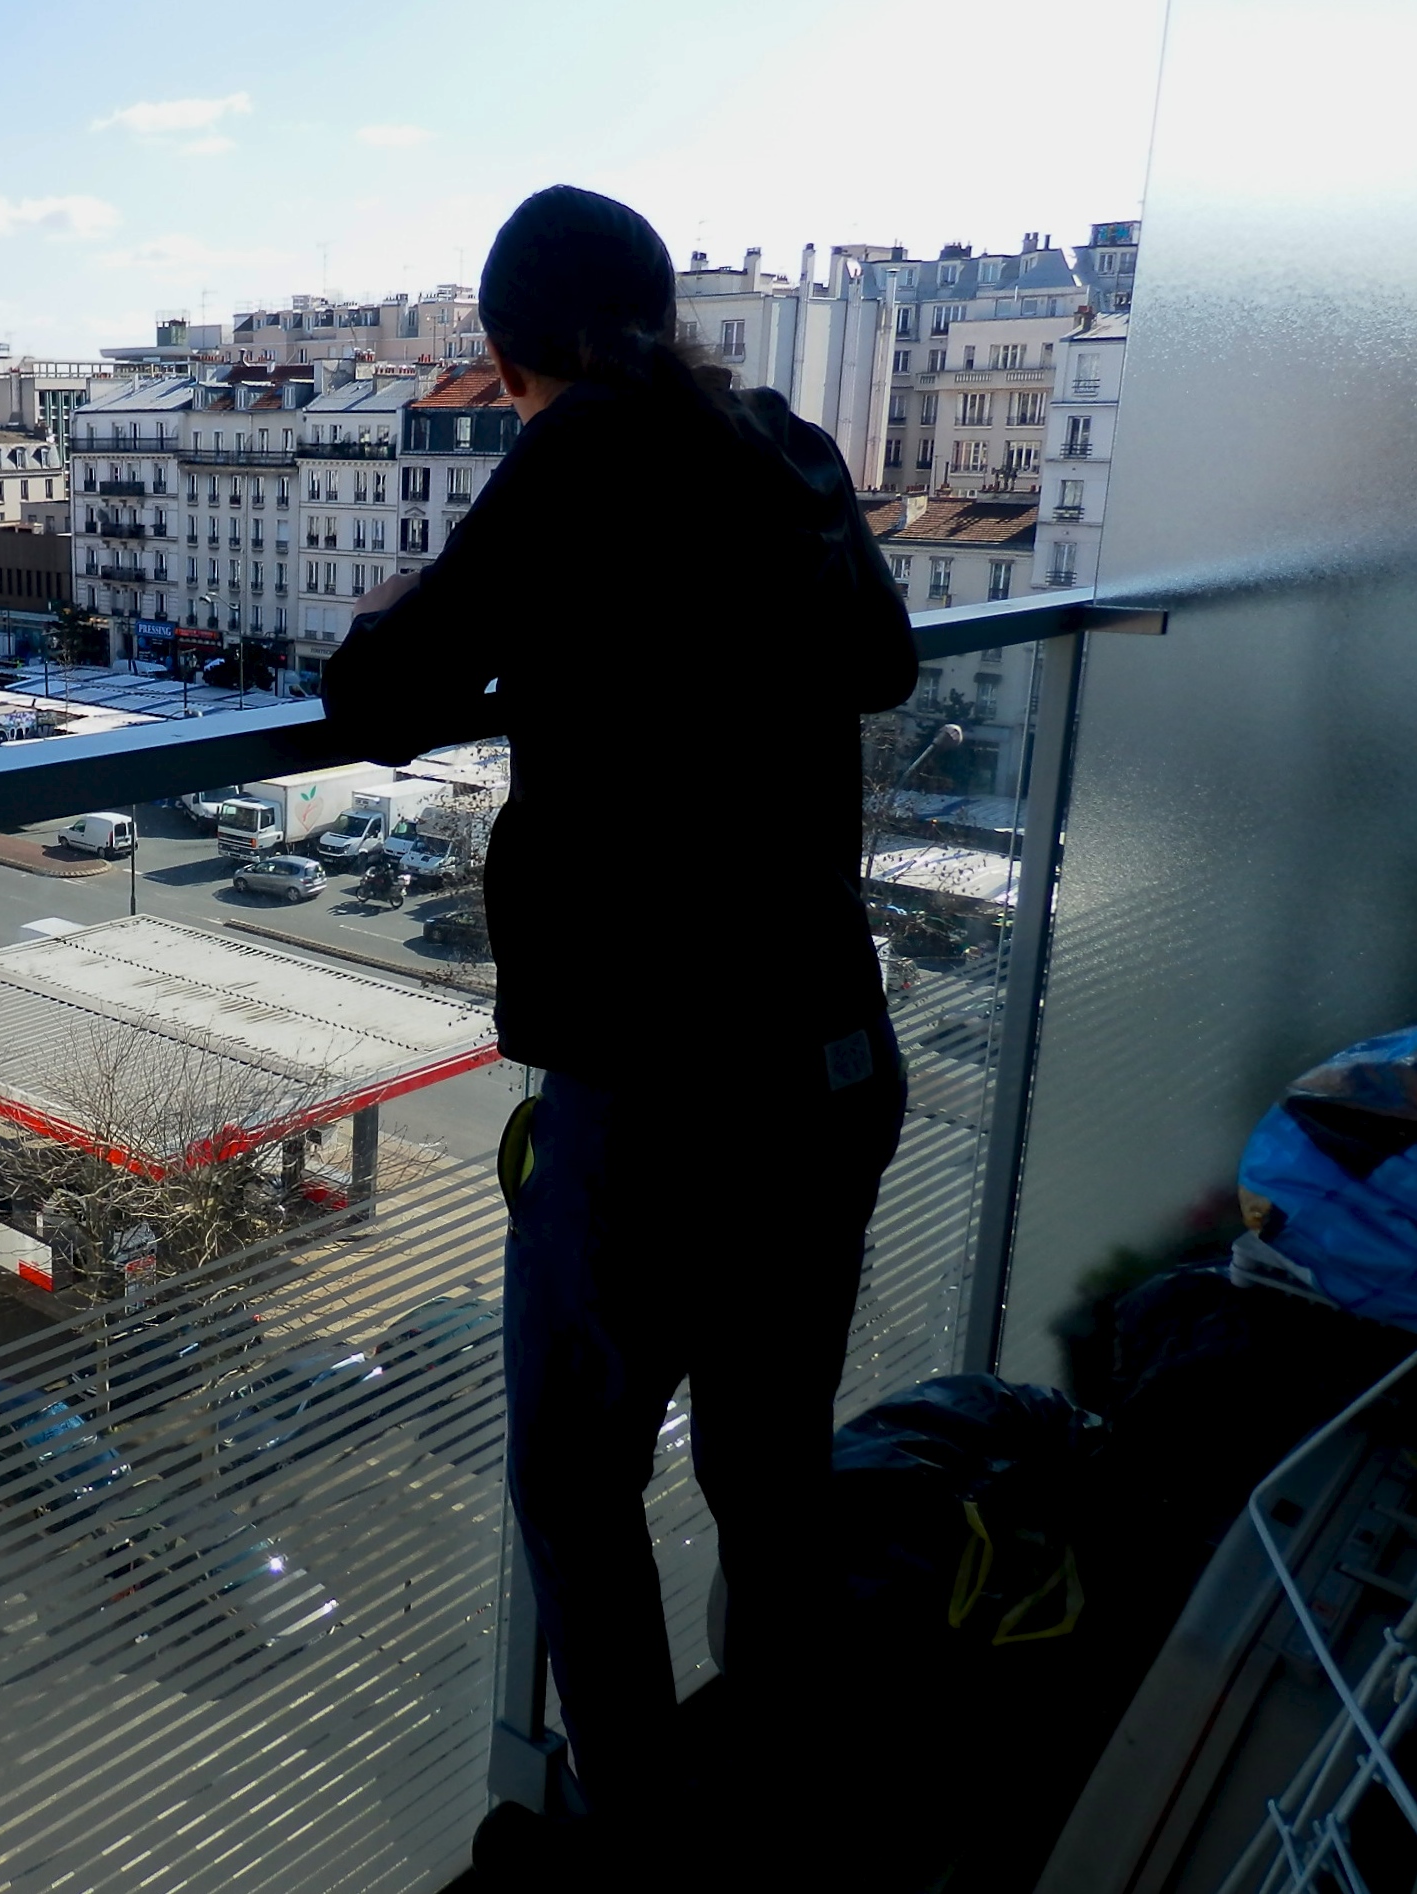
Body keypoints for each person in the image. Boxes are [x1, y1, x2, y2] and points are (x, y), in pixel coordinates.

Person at [323, 187, 917, 1871]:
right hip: (829, 1051)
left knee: (579, 1488)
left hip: (660, 1089)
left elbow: (383, 702)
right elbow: (882, 665)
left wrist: (409, 603)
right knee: (766, 1461)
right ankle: (790, 1791)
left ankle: (648, 1840)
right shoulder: (785, 445)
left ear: (510, 350)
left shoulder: (579, 448)